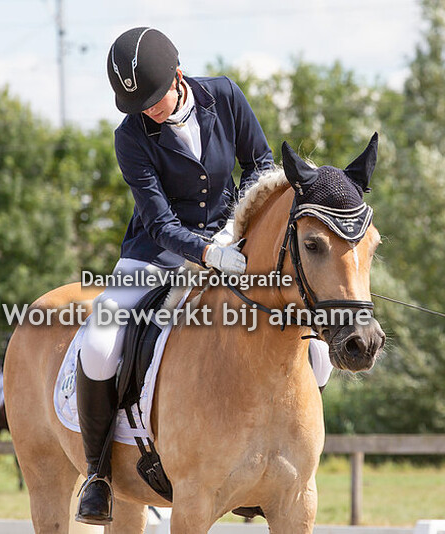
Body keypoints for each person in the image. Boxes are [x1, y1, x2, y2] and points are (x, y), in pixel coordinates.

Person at [74, 26, 331, 525]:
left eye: (154, 98)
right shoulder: (130, 136)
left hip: (237, 245)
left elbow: (260, 165)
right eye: (138, 105)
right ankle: (99, 473)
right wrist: (208, 253)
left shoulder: (225, 95)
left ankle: (287, 455)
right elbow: (159, 221)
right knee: (100, 342)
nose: (149, 110)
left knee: (316, 349)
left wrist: (241, 232)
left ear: (178, 74)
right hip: (155, 255)